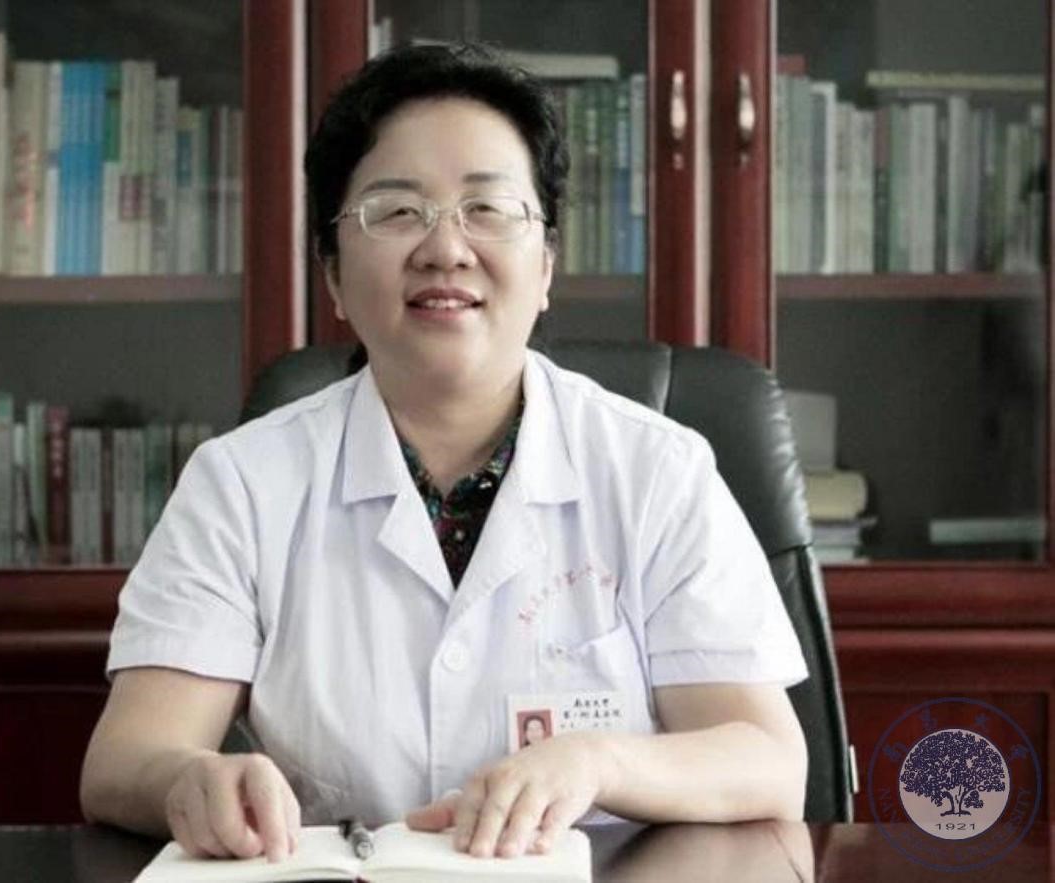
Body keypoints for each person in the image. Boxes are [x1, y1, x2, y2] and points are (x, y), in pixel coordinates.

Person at [80, 42, 809, 865]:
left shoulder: (656, 471)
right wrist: (189, 779)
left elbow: (767, 759)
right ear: (332, 275)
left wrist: (599, 762)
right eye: (396, 211)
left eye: (487, 208)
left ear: (546, 266)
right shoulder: (242, 482)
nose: (445, 249)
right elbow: (125, 759)